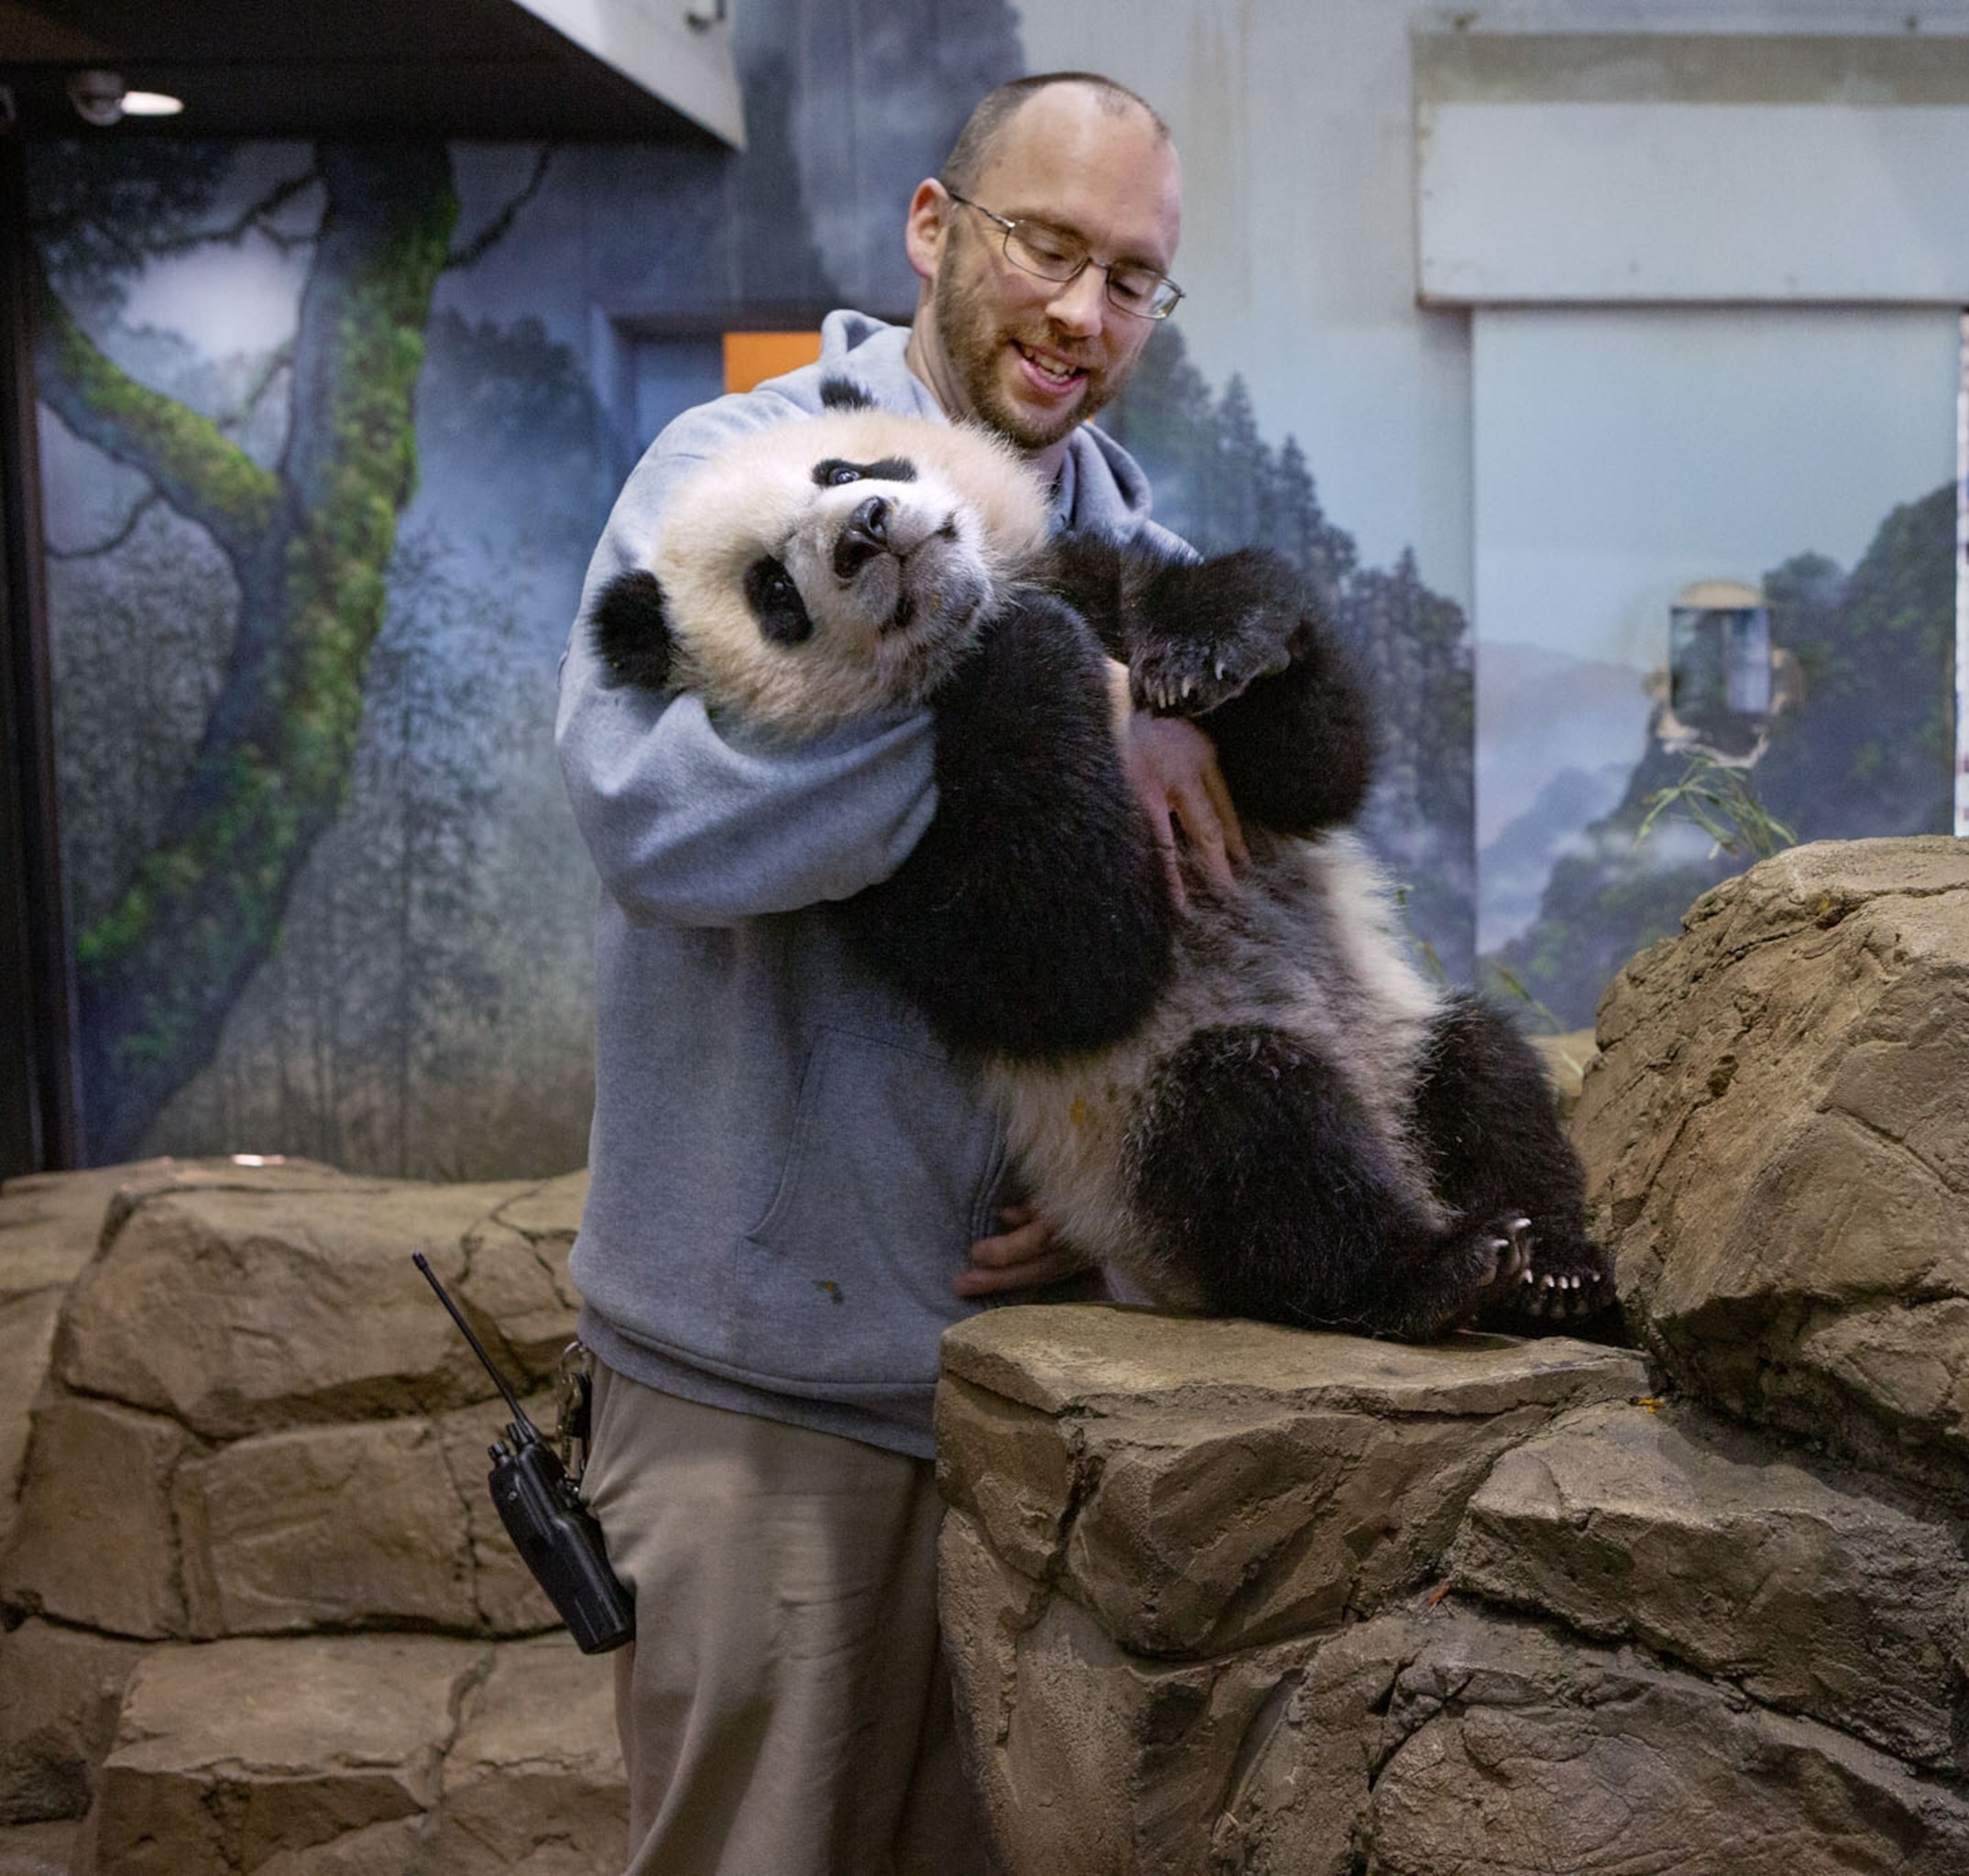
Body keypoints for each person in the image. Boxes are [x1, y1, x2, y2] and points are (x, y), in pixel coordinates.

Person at [552, 71, 1228, 1876]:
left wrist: (1129, 1195)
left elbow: (1226, 950)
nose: (1084, 311)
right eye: (1047, 246)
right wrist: (1035, 705)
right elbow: (654, 825)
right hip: (756, 1400)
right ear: (937, 231)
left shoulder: (1159, 579)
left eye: (1134, 278)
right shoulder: (726, 479)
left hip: (1048, 1398)